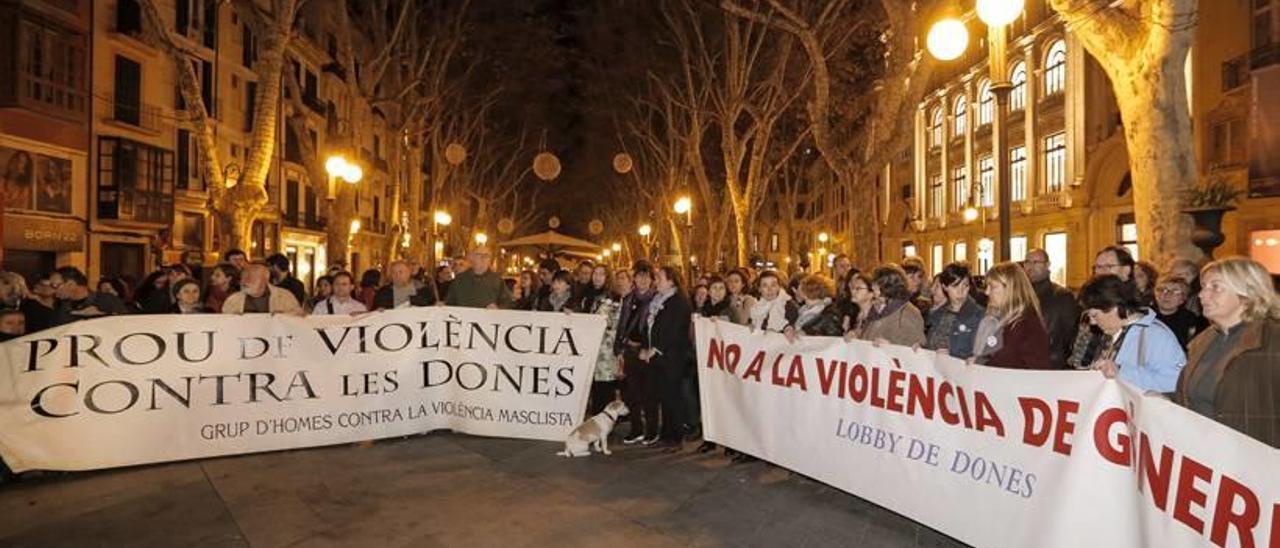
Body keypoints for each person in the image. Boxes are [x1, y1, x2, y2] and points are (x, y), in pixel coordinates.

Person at [1176, 257, 1280, 447]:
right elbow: (1190, 397)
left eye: (1215, 287)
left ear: (1247, 294)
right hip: (1207, 459)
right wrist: (1156, 397)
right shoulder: (1202, 342)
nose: (1202, 295)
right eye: (1204, 286)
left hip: (1256, 465)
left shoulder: (1273, 339)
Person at [1078, 274, 1185, 393]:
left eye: (1094, 315)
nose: (1092, 322)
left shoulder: (1156, 335)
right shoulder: (1108, 333)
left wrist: (1122, 372)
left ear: (1115, 308)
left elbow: (1176, 383)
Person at [640, 265, 693, 449]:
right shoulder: (658, 300)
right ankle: (666, 433)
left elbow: (674, 331)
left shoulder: (679, 302)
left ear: (671, 281)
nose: (656, 281)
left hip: (672, 358)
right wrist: (646, 346)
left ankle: (676, 437)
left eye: (659, 278)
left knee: (672, 397)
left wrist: (657, 348)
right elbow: (651, 326)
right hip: (658, 357)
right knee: (663, 396)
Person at [1068, 246, 1138, 369]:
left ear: (1126, 270)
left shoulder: (1137, 309)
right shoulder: (1090, 299)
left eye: (1109, 267)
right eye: (1098, 267)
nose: (1101, 272)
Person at [973, 262, 1051, 369]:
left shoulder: (1027, 325)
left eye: (993, 287)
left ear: (1010, 288)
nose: (987, 292)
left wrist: (983, 364)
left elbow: (1034, 369)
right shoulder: (1002, 319)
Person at [616, 261, 657, 444]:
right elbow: (622, 323)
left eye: (646, 276)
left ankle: (652, 430)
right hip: (630, 350)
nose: (642, 279)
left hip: (646, 352)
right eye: (639, 276)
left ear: (651, 279)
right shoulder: (629, 298)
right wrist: (619, 348)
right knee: (632, 393)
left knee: (649, 394)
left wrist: (647, 348)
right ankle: (636, 428)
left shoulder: (656, 299)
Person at [1023, 248, 1080, 369]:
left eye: (1036, 262)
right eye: (1027, 262)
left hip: (1051, 364)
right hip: (1023, 363)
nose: (1030, 267)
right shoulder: (1019, 295)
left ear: (1047, 265)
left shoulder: (1062, 296)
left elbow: (1070, 335)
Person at [926, 263, 985, 359]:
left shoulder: (979, 316)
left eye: (965, 286)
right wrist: (921, 349)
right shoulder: (937, 314)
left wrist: (951, 356)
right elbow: (931, 344)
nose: (960, 292)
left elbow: (982, 355)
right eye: (955, 286)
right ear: (945, 287)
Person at [861, 264, 927, 347]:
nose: (872, 288)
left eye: (876, 285)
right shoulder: (876, 310)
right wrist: (855, 335)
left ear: (888, 287)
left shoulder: (908, 312)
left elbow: (914, 347)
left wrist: (891, 346)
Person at [587, 270, 623, 416]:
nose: (597, 276)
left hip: (606, 350)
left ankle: (607, 422)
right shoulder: (589, 295)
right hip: (591, 349)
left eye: (602, 274)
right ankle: (596, 420)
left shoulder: (614, 298)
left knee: (606, 387)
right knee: (595, 387)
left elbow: (615, 323)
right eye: (595, 273)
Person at [48, 267, 129, 326]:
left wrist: (101, 315)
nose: (52, 291)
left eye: (55, 286)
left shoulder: (107, 300)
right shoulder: (59, 306)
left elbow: (125, 324)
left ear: (71, 284)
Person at [446, 246, 515, 309]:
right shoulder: (460, 279)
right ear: (472, 258)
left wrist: (498, 308)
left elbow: (507, 302)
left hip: (487, 320)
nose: (483, 258)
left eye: (486, 255)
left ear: (490, 259)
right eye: (479, 255)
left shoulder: (497, 280)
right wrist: (442, 307)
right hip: (464, 320)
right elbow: (450, 302)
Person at [222, 263, 304, 315]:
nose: (244, 282)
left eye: (250, 278)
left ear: (265, 279)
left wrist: (285, 316)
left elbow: (299, 318)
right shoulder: (233, 300)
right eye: (243, 278)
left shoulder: (284, 297)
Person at [1154, 277, 1208, 349]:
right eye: (1161, 290)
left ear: (1183, 299)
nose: (1166, 294)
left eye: (1175, 291)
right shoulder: (1144, 315)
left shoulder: (1190, 320)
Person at [843, 272, 875, 338]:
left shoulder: (875, 316)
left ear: (871, 293)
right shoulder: (857, 314)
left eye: (858, 289)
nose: (853, 292)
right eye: (852, 288)